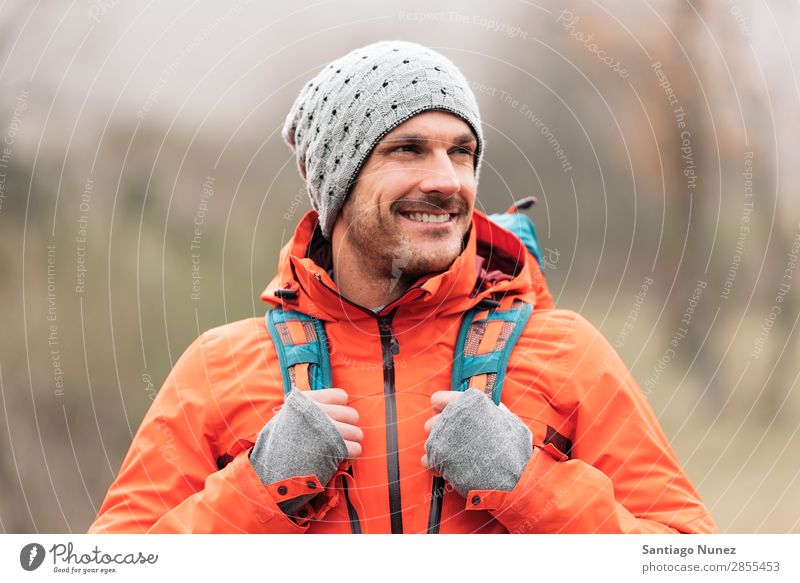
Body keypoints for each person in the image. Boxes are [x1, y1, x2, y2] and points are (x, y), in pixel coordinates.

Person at [88, 40, 717, 534]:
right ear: (336, 184)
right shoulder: (217, 370)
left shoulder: (567, 355)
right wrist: (258, 488)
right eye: (407, 150)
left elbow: (686, 559)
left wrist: (529, 486)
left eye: (462, 152)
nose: (447, 180)